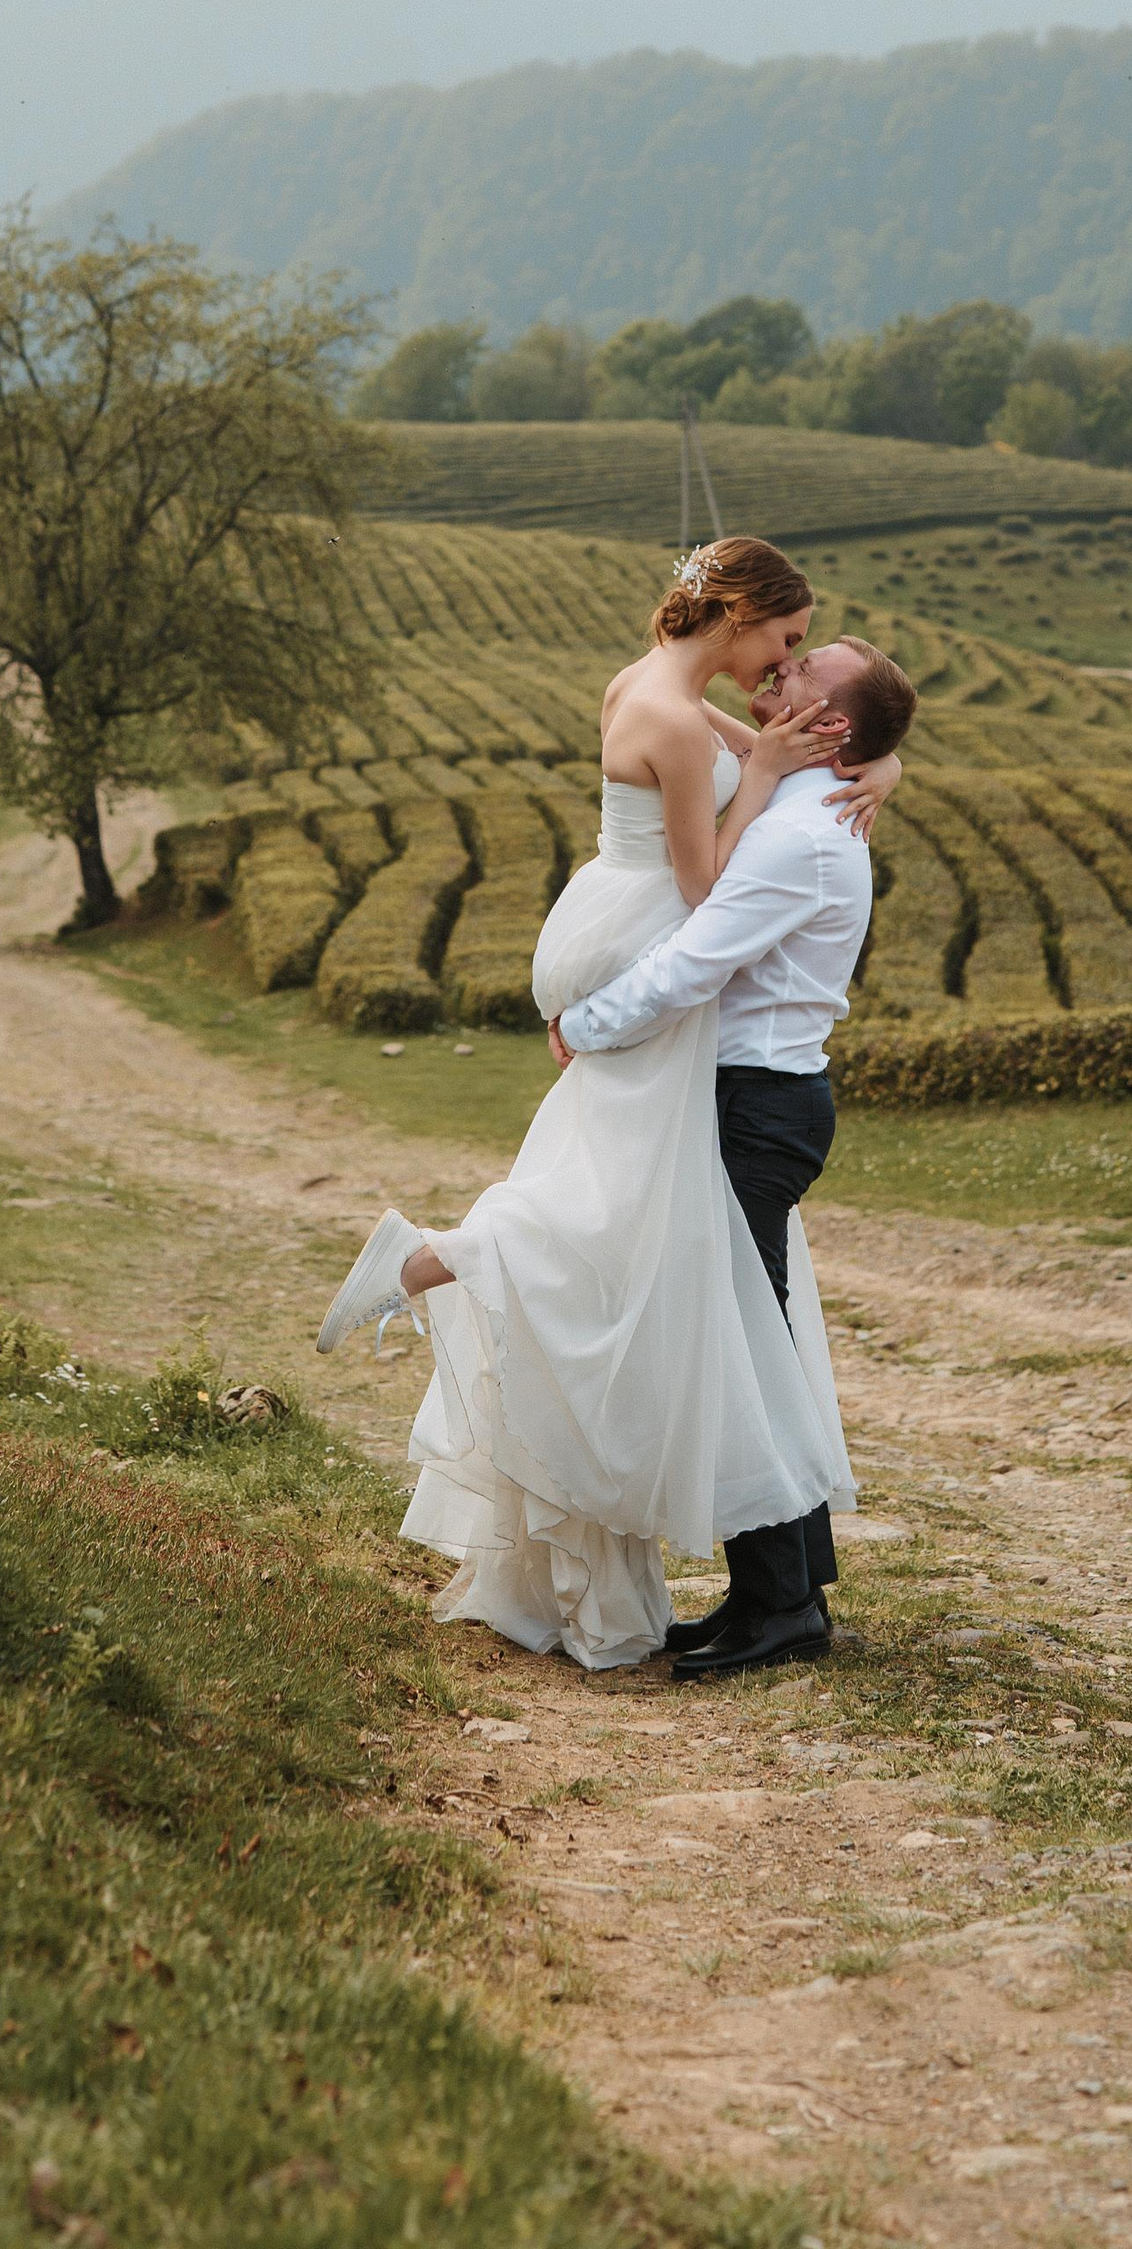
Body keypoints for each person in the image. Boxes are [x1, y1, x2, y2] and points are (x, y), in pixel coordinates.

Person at [314, 534, 910, 1674]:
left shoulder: (795, 829)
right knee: (724, 1326)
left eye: (800, 668)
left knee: (729, 1337)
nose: (780, 675)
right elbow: (749, 811)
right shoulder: (774, 783)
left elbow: (698, 942)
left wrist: (583, 1027)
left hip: (749, 1096)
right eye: (784, 645)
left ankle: (783, 1606)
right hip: (721, 1082)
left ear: (831, 726)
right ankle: (773, 1599)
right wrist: (854, 765)